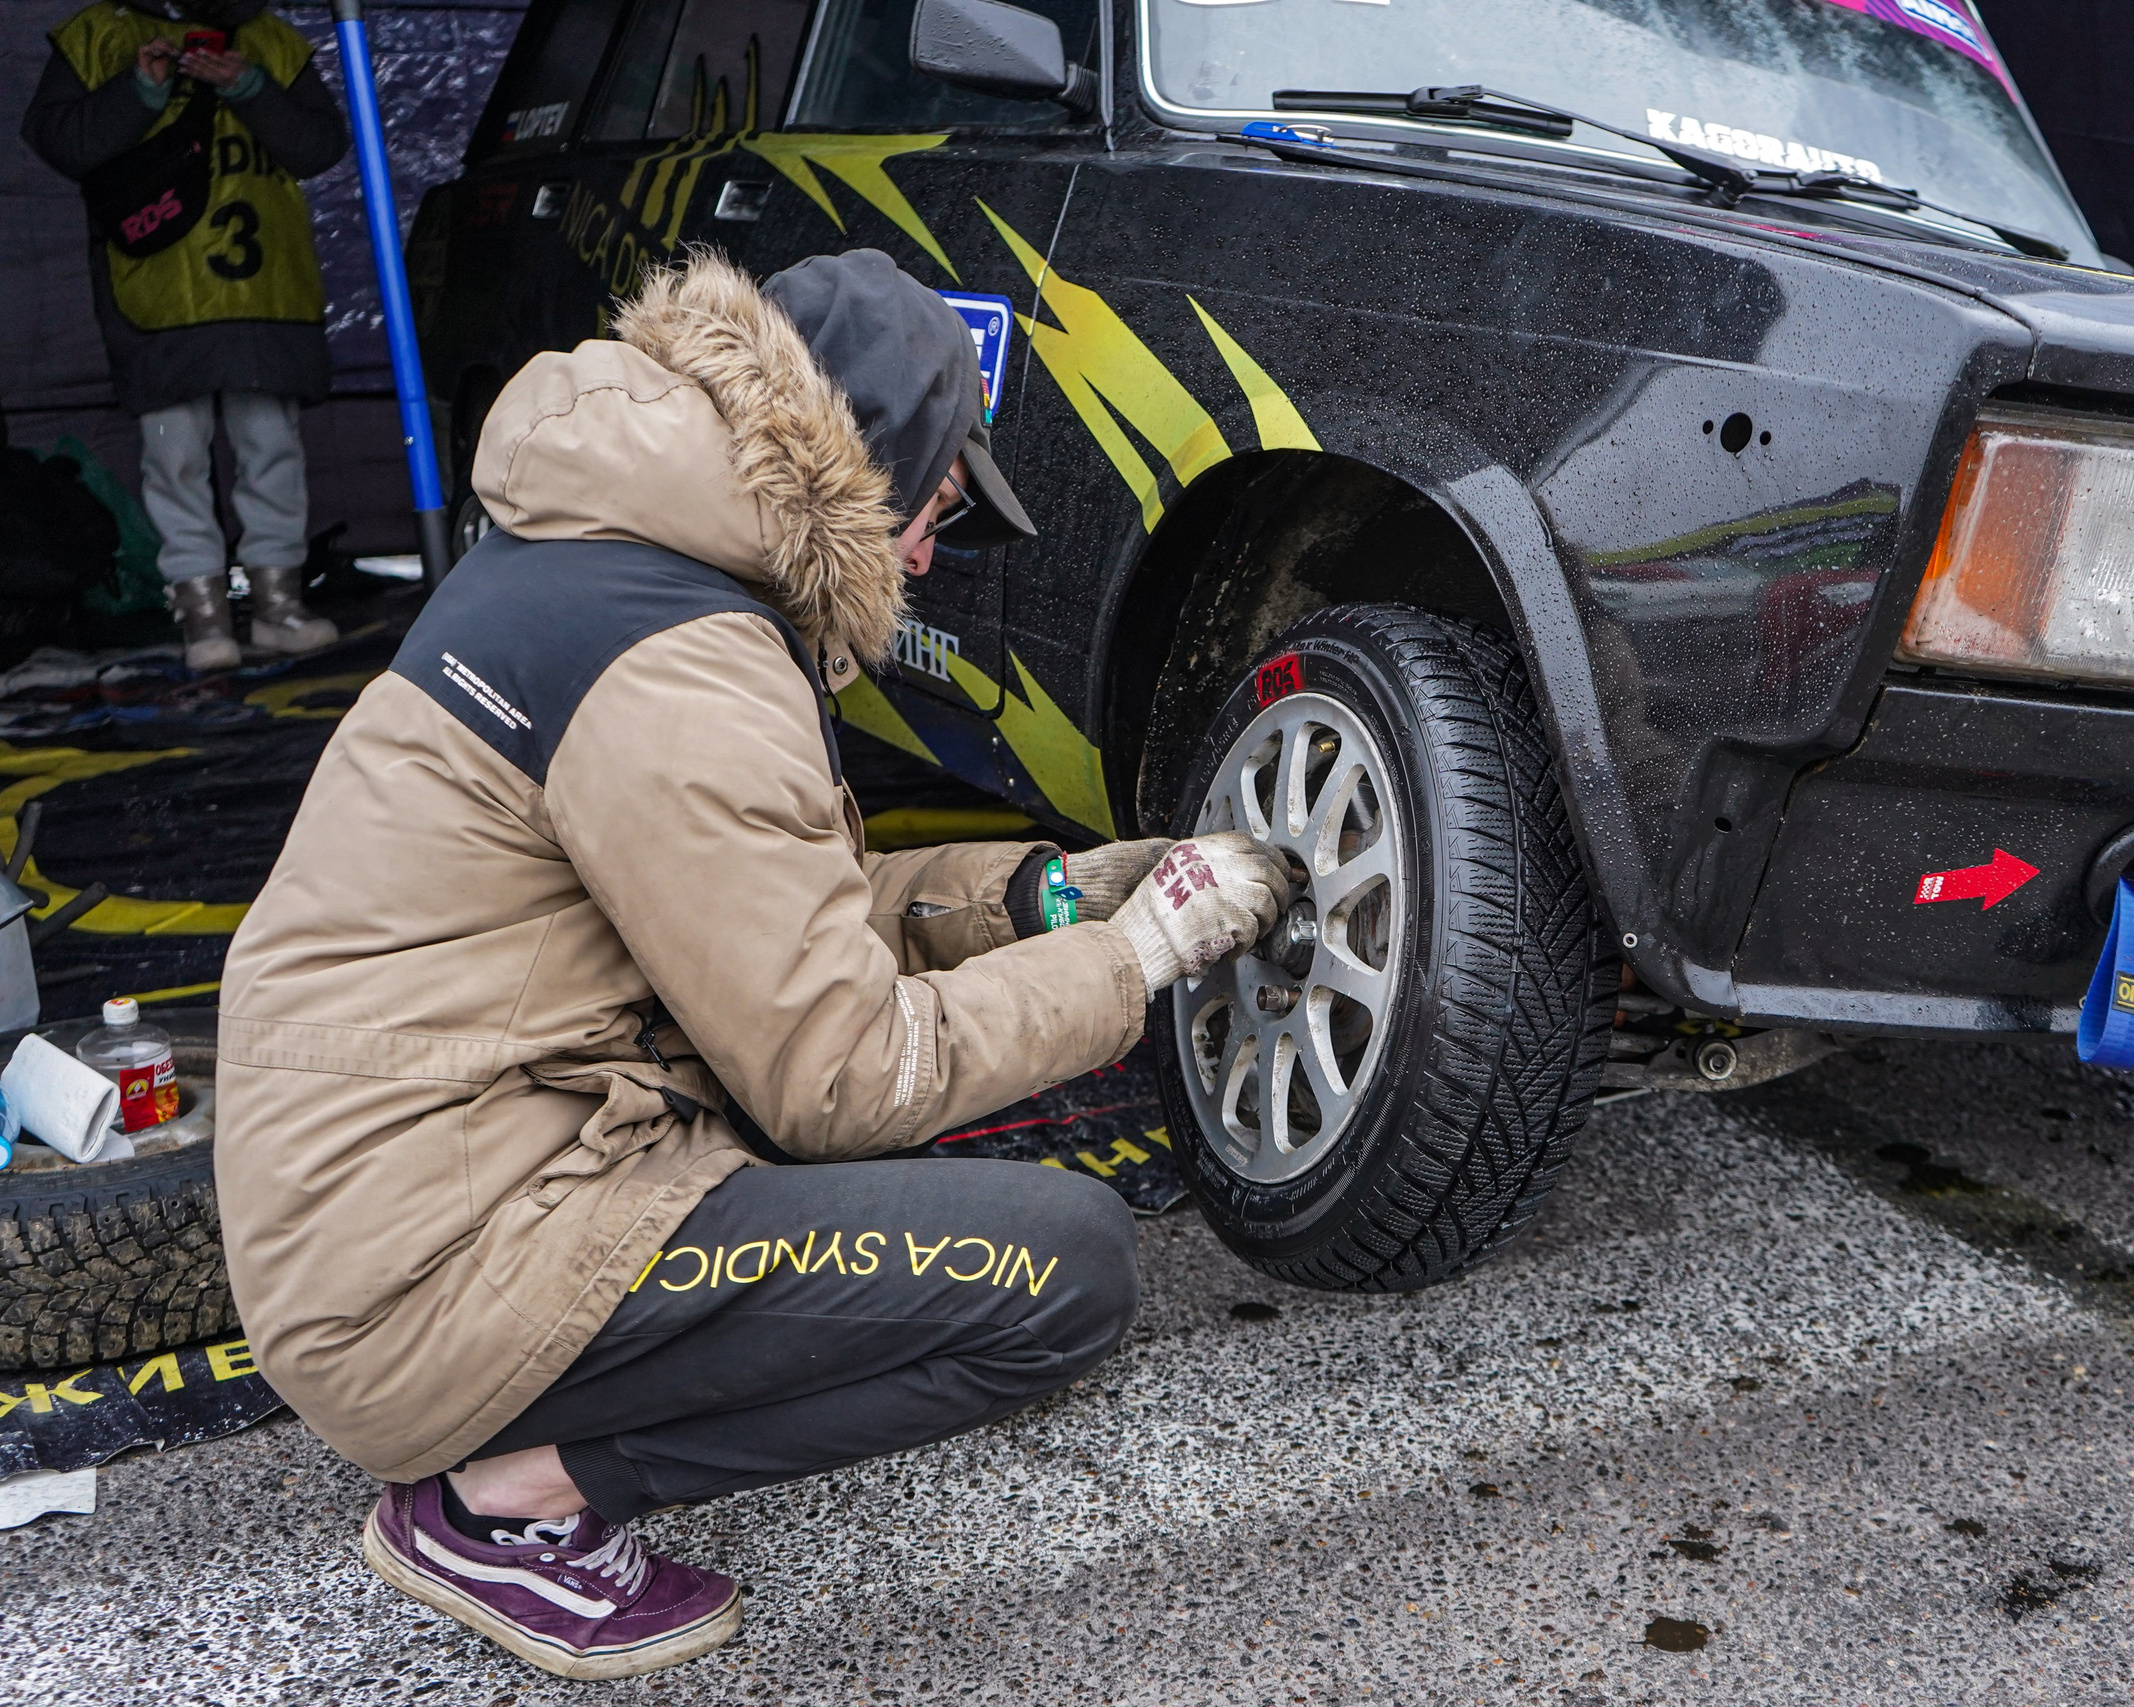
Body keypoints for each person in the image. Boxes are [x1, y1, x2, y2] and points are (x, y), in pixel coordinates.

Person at [214, 247, 1291, 1680]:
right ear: (862, 472)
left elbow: (772, 917)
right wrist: (1131, 959)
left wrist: (1034, 897)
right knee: (1064, 1271)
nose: (926, 558)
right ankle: (512, 1503)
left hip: (405, 1189)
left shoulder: (617, 562)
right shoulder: (681, 661)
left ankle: (513, 1456)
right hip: (429, 1269)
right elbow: (841, 1077)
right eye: (936, 510)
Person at [22, 0, 345, 673]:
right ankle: (203, 618)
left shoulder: (273, 41)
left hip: (261, 293)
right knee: (174, 458)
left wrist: (247, 84)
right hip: (158, 295)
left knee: (271, 447)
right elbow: (60, 142)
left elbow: (321, 147)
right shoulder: (98, 34)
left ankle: (279, 607)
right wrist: (139, 89)